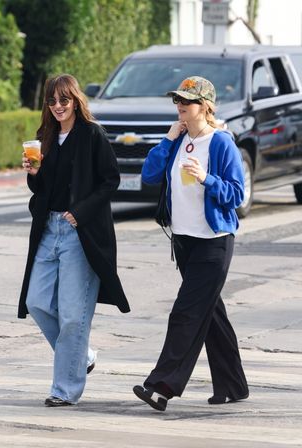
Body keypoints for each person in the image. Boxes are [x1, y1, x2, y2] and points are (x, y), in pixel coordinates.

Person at [133, 76, 249, 412]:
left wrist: (206, 178)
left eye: (189, 101)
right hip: (184, 241)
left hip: (213, 242)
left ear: (206, 107)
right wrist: (169, 139)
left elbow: (237, 195)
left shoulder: (221, 143)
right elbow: (150, 175)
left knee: (186, 313)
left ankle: (161, 386)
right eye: (178, 100)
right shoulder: (179, 140)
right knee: (209, 312)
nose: (181, 105)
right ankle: (233, 385)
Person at [19, 74, 130, 407]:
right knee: (36, 302)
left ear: (76, 101)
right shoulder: (46, 137)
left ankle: (64, 390)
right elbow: (42, 191)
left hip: (78, 232)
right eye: (52, 101)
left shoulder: (91, 135)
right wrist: (34, 174)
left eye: (63, 101)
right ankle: (82, 356)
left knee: (72, 315)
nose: (57, 107)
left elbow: (111, 180)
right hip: (47, 229)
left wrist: (79, 212)